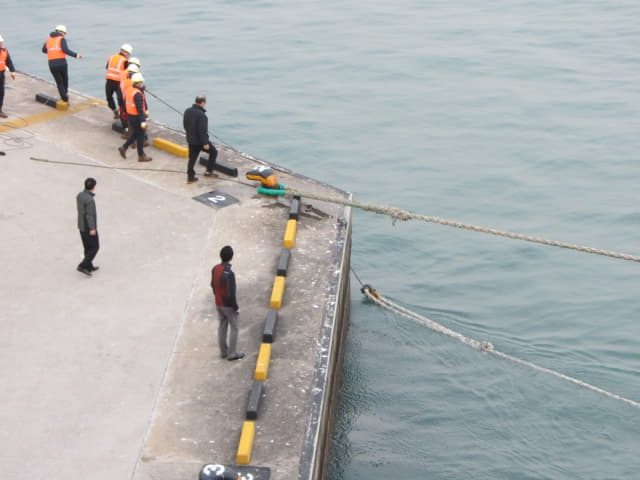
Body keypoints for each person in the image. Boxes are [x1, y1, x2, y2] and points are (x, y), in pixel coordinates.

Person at [211, 246, 244, 361]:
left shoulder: (215, 268)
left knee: (222, 325)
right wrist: (236, 307)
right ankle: (232, 353)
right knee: (235, 327)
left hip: (218, 302)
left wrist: (217, 297)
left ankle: (223, 351)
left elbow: (212, 285)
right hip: (228, 305)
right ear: (231, 257)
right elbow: (232, 293)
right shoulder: (229, 274)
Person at [183, 94, 218, 184]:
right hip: (199, 142)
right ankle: (209, 171)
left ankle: (190, 177)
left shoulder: (187, 111)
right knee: (213, 152)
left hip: (190, 140)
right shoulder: (202, 115)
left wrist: (190, 134)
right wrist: (205, 143)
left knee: (192, 159)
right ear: (202, 103)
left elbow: (185, 125)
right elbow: (202, 131)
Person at [42, 25, 82, 103]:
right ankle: (65, 95)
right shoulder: (61, 39)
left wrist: (51, 52)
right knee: (65, 80)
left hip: (52, 64)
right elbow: (65, 50)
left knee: (59, 82)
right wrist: (76, 55)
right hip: (62, 63)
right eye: (65, 33)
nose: (65, 35)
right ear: (61, 32)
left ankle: (64, 99)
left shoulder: (48, 40)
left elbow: (44, 50)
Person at [118, 72, 151, 162]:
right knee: (139, 135)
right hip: (137, 117)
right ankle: (139, 155)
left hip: (131, 116)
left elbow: (125, 102)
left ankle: (126, 148)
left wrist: (124, 112)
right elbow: (140, 109)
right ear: (138, 82)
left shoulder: (130, 90)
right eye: (141, 82)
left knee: (137, 134)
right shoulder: (138, 94)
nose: (142, 84)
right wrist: (143, 122)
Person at [76, 177, 99, 276]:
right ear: (93, 187)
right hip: (88, 227)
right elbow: (90, 215)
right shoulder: (89, 200)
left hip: (81, 224)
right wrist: (92, 228)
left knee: (87, 247)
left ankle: (89, 265)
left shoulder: (80, 195)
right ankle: (83, 265)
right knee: (94, 247)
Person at [105, 43, 132, 119]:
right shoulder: (125, 61)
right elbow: (128, 73)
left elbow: (107, 67)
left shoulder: (111, 57)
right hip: (119, 83)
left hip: (109, 81)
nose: (129, 56)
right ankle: (123, 115)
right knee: (121, 100)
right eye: (129, 54)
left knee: (109, 98)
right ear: (126, 53)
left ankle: (115, 111)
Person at [0, 35, 17, 119]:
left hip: (1, 74)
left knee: (1, 92)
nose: (1, 43)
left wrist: (12, 71)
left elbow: (8, 61)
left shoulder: (4, 51)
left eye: (1, 42)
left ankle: (0, 110)